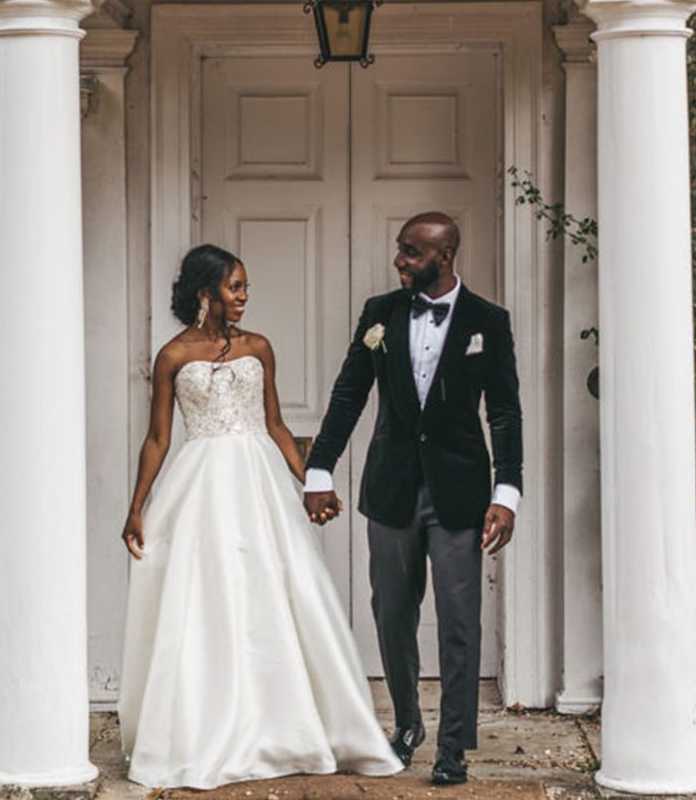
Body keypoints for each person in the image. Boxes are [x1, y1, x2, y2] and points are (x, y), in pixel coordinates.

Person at [117, 244, 402, 789]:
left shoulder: (260, 347)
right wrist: (137, 508)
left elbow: (273, 424)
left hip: (259, 480)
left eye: (246, 287)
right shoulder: (172, 357)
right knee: (205, 601)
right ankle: (204, 729)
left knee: (276, 591)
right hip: (199, 485)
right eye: (235, 287)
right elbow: (158, 439)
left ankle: (288, 727)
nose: (244, 297)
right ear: (206, 292)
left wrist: (311, 480)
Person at [303, 213, 523, 787]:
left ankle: (454, 747)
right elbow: (350, 391)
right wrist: (319, 467)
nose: (399, 260)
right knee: (392, 613)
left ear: (443, 255)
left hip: (460, 494)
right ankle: (406, 725)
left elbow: (504, 409)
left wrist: (508, 491)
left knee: (458, 622)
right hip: (392, 488)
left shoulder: (487, 321)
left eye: (409, 251)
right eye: (399, 250)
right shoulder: (379, 314)